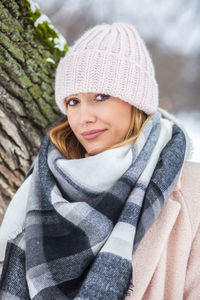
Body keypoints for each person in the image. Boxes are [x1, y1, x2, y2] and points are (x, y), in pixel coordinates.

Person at [0, 22, 199, 300]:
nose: (84, 117)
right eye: (73, 102)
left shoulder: (192, 190)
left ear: (135, 102)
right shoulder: (42, 182)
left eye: (101, 97)